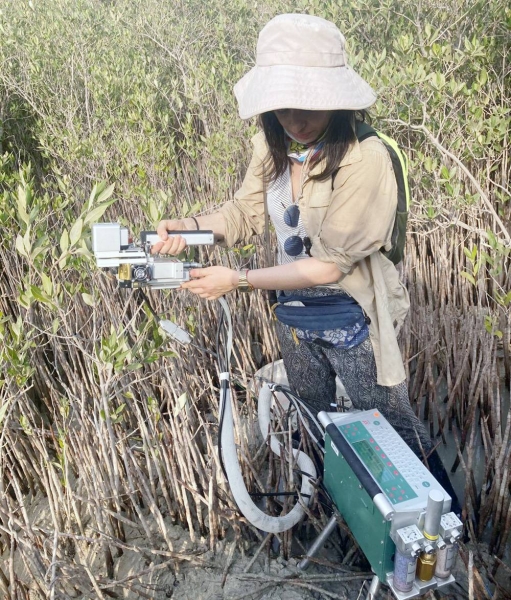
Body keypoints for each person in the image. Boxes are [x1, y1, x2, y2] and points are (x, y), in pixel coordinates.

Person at [152, 13, 458, 504]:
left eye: (309, 105)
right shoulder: (269, 146)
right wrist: (185, 231)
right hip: (293, 316)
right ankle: (339, 507)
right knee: (315, 421)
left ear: (336, 100)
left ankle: (445, 526)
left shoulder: (366, 157)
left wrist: (239, 279)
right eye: (282, 107)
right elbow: (244, 212)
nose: (295, 119)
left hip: (353, 318)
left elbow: (332, 265)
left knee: (395, 427)